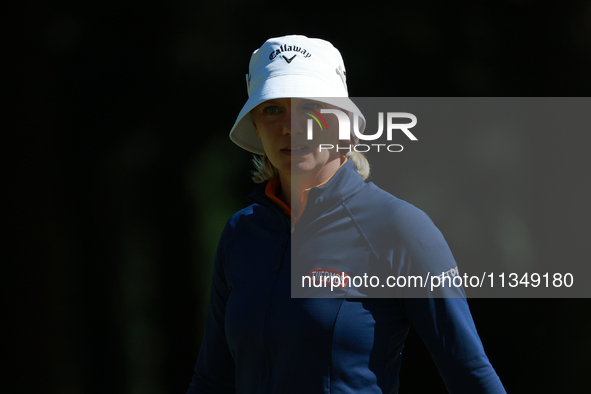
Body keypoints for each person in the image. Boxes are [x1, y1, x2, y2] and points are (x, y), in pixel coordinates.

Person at [186, 35, 506, 393]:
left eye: (310, 107)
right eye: (272, 109)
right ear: (256, 126)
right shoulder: (240, 233)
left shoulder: (398, 227)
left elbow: (471, 375)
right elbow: (210, 379)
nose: (291, 126)